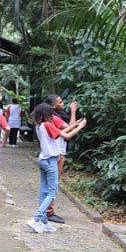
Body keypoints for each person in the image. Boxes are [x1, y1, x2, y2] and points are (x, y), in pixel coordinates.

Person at [27, 103, 86, 234]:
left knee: (43, 191)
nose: (52, 116)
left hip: (43, 160)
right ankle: (36, 219)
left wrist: (75, 123)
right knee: (52, 192)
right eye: (50, 114)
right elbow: (67, 136)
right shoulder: (47, 125)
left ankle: (44, 222)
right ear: (45, 115)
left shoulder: (40, 125)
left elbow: (62, 132)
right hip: (50, 161)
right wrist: (80, 126)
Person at [44, 94, 78, 223]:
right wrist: (73, 112)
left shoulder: (49, 117)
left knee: (50, 182)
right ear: (53, 105)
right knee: (53, 182)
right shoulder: (55, 118)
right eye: (60, 102)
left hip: (53, 151)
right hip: (57, 152)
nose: (62, 103)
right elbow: (70, 129)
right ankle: (49, 211)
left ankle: (46, 210)